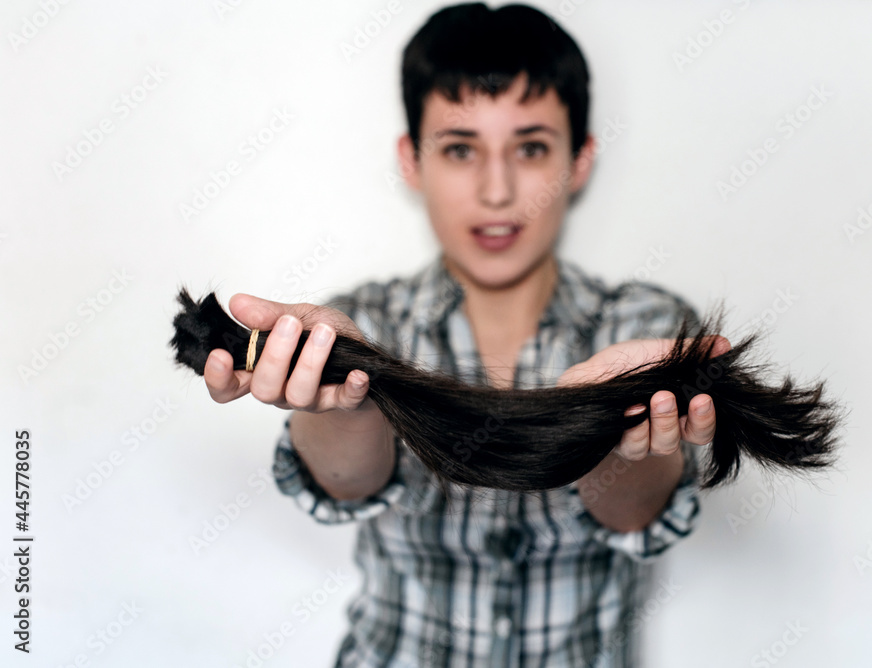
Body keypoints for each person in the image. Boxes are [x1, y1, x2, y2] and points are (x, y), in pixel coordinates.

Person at [203, 4, 729, 666]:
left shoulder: (644, 326)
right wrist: (349, 391)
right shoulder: (366, 324)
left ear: (579, 161)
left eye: (531, 148)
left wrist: (610, 419)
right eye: (459, 149)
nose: (497, 190)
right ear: (412, 161)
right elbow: (345, 486)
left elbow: (634, 518)